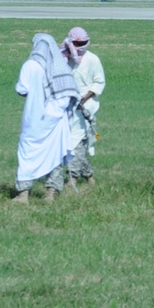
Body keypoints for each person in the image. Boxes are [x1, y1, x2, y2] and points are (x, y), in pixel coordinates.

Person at [13, 33, 78, 203]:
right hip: (56, 121)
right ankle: (50, 193)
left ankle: (23, 195)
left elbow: (22, 90)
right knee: (55, 155)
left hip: (33, 119)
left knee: (27, 154)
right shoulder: (61, 67)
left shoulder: (30, 65)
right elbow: (68, 95)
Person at [61, 26, 106, 186]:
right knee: (75, 141)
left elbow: (99, 82)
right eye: (76, 44)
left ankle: (72, 176)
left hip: (87, 106)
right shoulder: (65, 58)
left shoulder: (93, 59)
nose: (79, 47)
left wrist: (84, 99)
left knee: (76, 140)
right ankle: (89, 176)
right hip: (67, 105)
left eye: (83, 43)